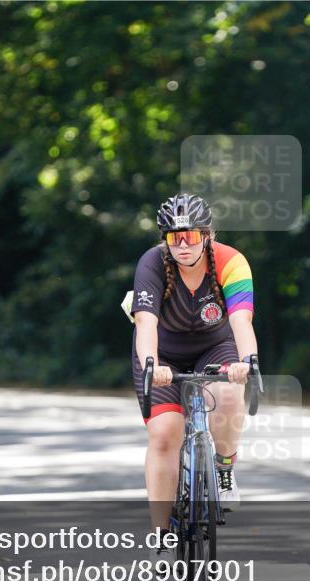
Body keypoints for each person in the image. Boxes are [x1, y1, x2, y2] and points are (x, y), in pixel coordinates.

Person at [129, 193, 258, 557]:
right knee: (165, 433)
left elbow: (240, 320)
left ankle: (225, 466)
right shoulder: (152, 264)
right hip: (162, 353)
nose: (182, 245)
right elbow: (146, 323)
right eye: (174, 237)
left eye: (191, 236)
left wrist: (247, 360)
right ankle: (161, 529)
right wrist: (152, 365)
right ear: (164, 240)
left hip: (214, 347)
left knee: (231, 394)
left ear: (208, 235)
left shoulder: (231, 262)